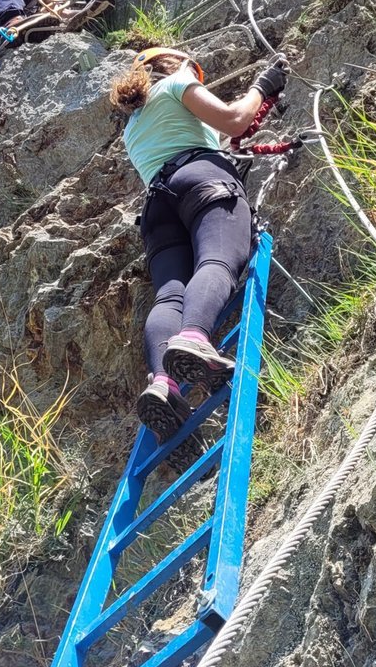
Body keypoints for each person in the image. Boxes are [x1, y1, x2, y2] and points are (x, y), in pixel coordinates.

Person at [107, 47, 288, 442]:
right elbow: (234, 120)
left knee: (169, 296)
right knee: (219, 261)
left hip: (157, 208)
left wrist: (245, 125)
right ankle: (193, 338)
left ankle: (162, 383)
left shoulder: (132, 127)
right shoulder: (177, 82)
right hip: (201, 179)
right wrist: (263, 86)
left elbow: (213, 136)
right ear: (182, 66)